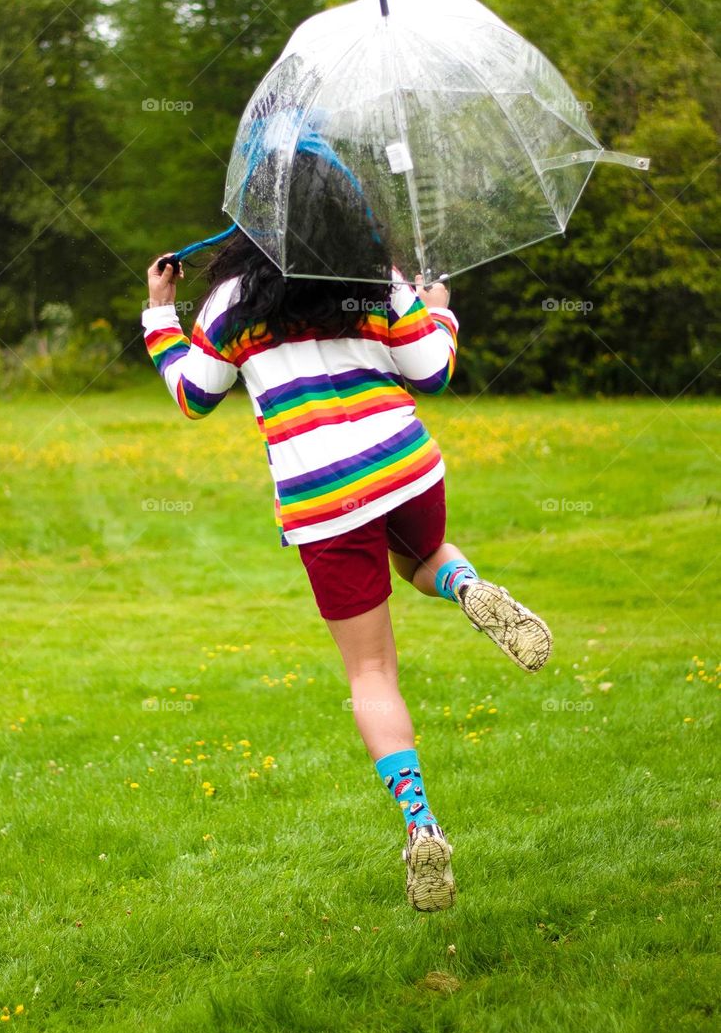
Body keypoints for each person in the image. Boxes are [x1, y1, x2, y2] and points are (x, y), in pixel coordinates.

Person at [142, 151, 552, 912]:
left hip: (324, 503)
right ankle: (464, 584)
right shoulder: (375, 277)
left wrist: (158, 313)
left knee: (371, 676)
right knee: (422, 556)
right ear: (343, 205)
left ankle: (421, 825)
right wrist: (436, 304)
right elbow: (432, 371)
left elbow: (194, 397)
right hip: (405, 470)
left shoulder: (233, 297)